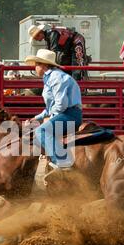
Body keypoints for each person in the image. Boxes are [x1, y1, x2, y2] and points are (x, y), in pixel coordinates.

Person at [24, 49, 83, 178]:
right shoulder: (50, 78)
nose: (35, 67)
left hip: (70, 114)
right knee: (34, 135)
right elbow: (52, 107)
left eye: (37, 64)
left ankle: (63, 162)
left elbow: (61, 104)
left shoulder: (56, 77)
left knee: (41, 131)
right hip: (66, 113)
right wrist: (37, 117)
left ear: (44, 65)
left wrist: (50, 118)